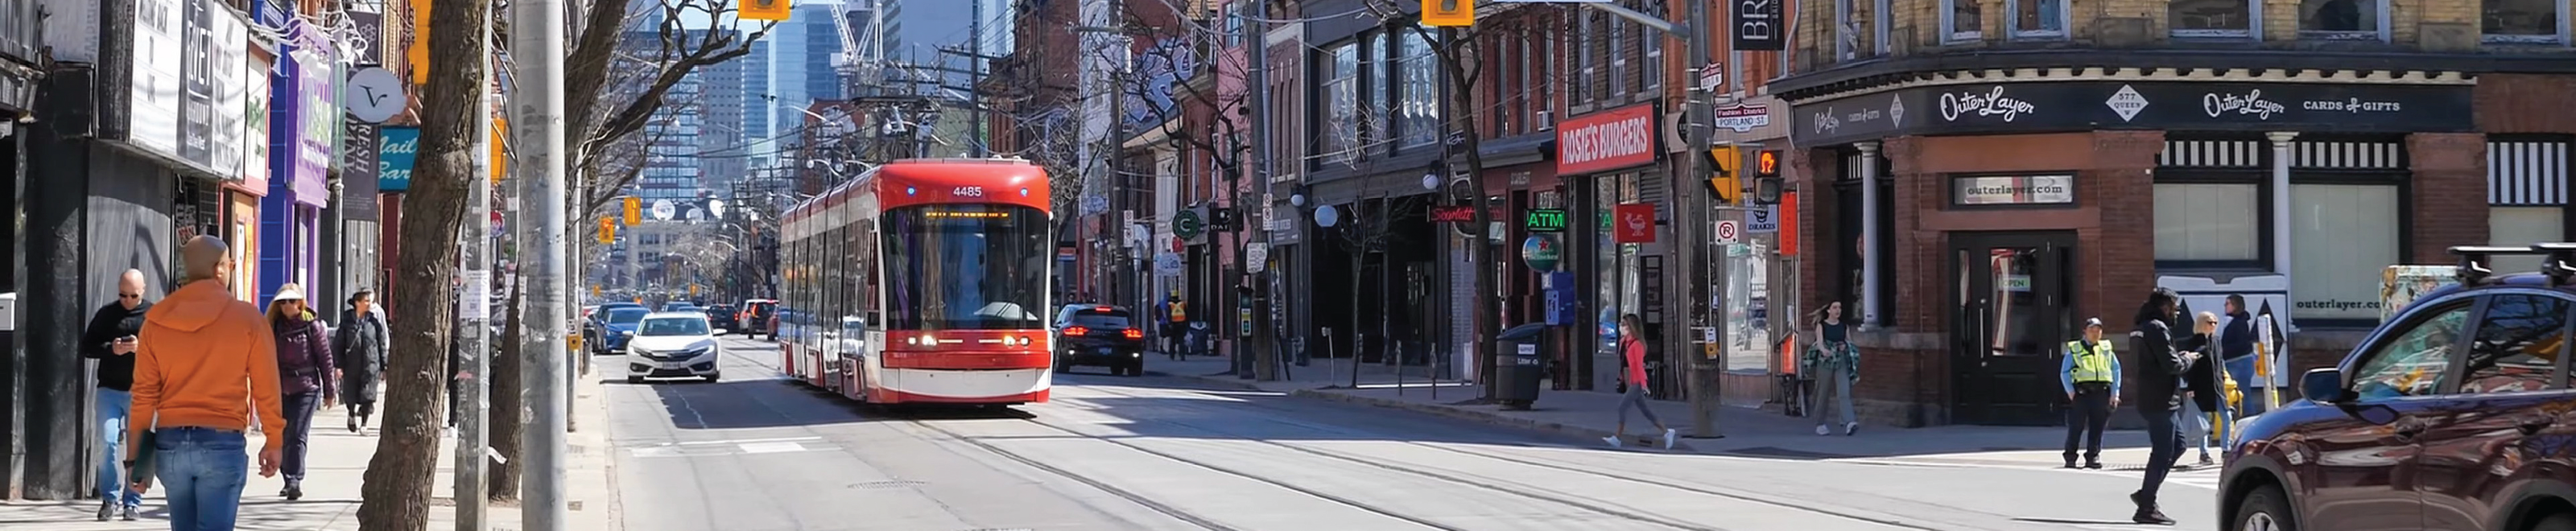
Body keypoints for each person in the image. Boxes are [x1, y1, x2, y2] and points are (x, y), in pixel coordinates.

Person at [129, 236, 286, 531]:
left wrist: (133, 458)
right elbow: (266, 386)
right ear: (219, 270)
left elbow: (144, 394)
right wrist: (274, 439)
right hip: (222, 439)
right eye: (229, 265)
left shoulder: (156, 320)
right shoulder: (248, 318)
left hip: (170, 443)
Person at [80, 269, 154, 521]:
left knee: (138, 447)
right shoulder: (107, 314)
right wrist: (112, 349)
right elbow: (87, 347)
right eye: (123, 295)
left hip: (140, 391)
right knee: (107, 442)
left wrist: (141, 348)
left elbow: (168, 351)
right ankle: (109, 498)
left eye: (133, 296)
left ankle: (133, 501)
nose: (128, 301)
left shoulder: (154, 315)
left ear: (143, 290)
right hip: (109, 389)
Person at [2124, 287, 2197, 525]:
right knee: (2163, 452)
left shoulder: (2140, 328)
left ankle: (2146, 495)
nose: (2176, 313)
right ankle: (2147, 506)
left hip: (2154, 397)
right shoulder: (2156, 327)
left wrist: (2178, 357)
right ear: (2165, 307)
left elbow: (2157, 360)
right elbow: (2172, 365)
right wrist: (2189, 359)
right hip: (2159, 399)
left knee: (2179, 445)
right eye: (2174, 308)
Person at [266, 283, 336, 500]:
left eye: (292, 301)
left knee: (298, 434)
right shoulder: (273, 326)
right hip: (282, 388)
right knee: (285, 434)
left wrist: (330, 390)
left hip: (307, 387)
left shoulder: (311, 326)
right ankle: (288, 479)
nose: (288, 305)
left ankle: (295, 479)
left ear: (301, 302)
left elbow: (325, 359)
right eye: (284, 301)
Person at [1604, 314, 1678, 449]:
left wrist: (1643, 384)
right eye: (1622, 324)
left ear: (1632, 327)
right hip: (1629, 381)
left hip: (1636, 381)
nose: (1622, 327)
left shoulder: (1636, 345)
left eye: (1625, 324)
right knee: (1646, 411)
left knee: (1622, 407)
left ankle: (1617, 438)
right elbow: (1623, 363)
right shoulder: (1624, 342)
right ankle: (1667, 432)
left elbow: (1638, 365)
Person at [2059, 317, 2120, 470]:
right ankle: (2070, 457)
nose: (2095, 333)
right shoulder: (2075, 349)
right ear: (2085, 331)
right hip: (2082, 393)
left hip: (2102, 392)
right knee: (2076, 427)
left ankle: (2093, 457)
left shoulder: (2106, 349)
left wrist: (2115, 393)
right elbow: (2065, 372)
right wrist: (2070, 392)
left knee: (2097, 427)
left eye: (2098, 330)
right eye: (2092, 330)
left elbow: (2115, 370)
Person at [2179, 311, 2228, 467]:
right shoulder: (2193, 342)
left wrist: (2223, 378)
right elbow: (2188, 367)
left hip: (2217, 386)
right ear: (2201, 323)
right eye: (2209, 322)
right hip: (2200, 386)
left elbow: (2220, 362)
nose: (2213, 325)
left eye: (2215, 322)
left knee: (2226, 416)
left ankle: (2226, 449)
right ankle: (2204, 453)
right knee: (2204, 421)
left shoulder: (2217, 341)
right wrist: (2189, 387)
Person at [335, 288, 388, 433]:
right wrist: (338, 365)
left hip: (371, 364)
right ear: (357, 303)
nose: (369, 303)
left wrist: (384, 366)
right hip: (351, 364)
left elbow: (381, 343)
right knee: (350, 395)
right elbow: (339, 344)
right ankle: (351, 413)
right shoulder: (347, 323)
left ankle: (364, 424)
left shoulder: (374, 322)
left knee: (368, 395)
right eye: (366, 301)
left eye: (369, 301)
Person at [1805, 301, 1860, 436]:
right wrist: (1824, 350)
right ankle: (1820, 423)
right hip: (1826, 361)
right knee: (1823, 392)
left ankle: (1850, 422)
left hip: (1840, 360)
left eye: (1839, 308)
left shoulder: (1843, 326)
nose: (1838, 310)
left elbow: (1850, 343)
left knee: (1844, 392)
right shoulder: (1822, 326)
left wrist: (1845, 346)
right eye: (1834, 308)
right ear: (1828, 310)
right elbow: (1819, 343)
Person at [2219, 294, 2263, 415]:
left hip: (2240, 362)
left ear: (2235, 306)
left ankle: (2250, 419)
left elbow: (2242, 344)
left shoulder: (2239, 323)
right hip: (2234, 361)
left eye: (2228, 304)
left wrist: (2223, 350)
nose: (2225, 306)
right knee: (2235, 394)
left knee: (2243, 394)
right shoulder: (2232, 321)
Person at [1156, 292, 1187, 358]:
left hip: (1173, 324)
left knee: (1172, 340)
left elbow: (1168, 314)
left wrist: (1169, 323)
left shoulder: (1170, 304)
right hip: (1181, 324)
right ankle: (1182, 354)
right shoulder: (1182, 304)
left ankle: (1172, 354)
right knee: (1181, 340)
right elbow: (1186, 314)